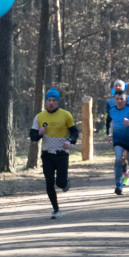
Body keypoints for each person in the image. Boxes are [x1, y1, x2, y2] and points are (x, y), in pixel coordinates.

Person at [29, 88, 79, 218]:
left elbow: (75, 132)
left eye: (54, 100)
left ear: (58, 102)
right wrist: (39, 133)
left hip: (61, 153)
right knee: (49, 182)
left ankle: (65, 183)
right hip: (47, 154)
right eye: (49, 100)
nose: (51, 103)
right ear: (45, 102)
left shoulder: (66, 115)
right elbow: (33, 136)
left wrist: (70, 140)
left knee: (60, 183)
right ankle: (56, 209)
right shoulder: (39, 117)